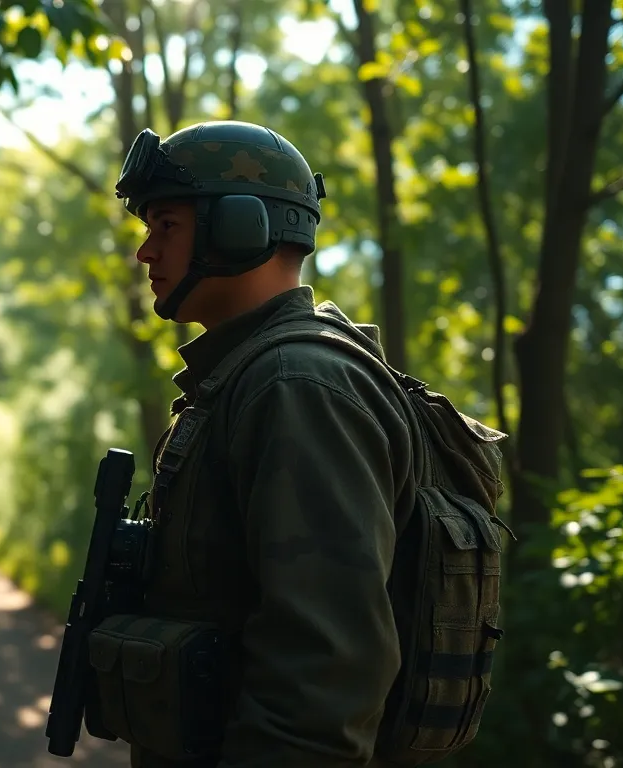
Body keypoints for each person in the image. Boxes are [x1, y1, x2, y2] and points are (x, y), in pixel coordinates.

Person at [82, 120, 505, 768]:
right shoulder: (245, 381)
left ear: (241, 226)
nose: (145, 251)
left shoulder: (297, 388)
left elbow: (322, 683)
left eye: (165, 225)